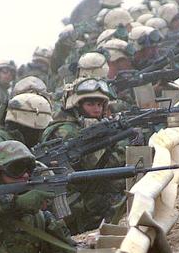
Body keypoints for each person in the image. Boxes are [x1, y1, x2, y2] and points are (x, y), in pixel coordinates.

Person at [41, 71, 127, 233]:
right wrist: (122, 143)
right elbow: (99, 165)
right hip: (76, 206)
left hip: (85, 199)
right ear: (77, 106)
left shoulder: (83, 126)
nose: (96, 109)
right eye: (90, 104)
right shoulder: (66, 131)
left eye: (100, 105)